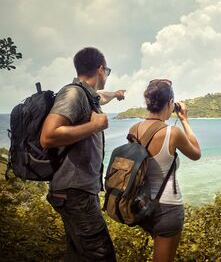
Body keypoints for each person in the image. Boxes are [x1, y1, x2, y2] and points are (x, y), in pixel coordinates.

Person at [40, 47, 116, 261]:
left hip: (76, 190)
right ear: (101, 69)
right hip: (75, 192)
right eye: (107, 71)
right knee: (102, 255)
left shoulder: (88, 96)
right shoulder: (73, 93)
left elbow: (102, 97)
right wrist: (95, 126)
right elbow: (48, 136)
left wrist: (117, 94)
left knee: (78, 255)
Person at [131, 79, 201, 262]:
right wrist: (184, 120)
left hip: (142, 206)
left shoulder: (134, 129)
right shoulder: (172, 132)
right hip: (167, 209)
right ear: (170, 103)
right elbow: (196, 153)